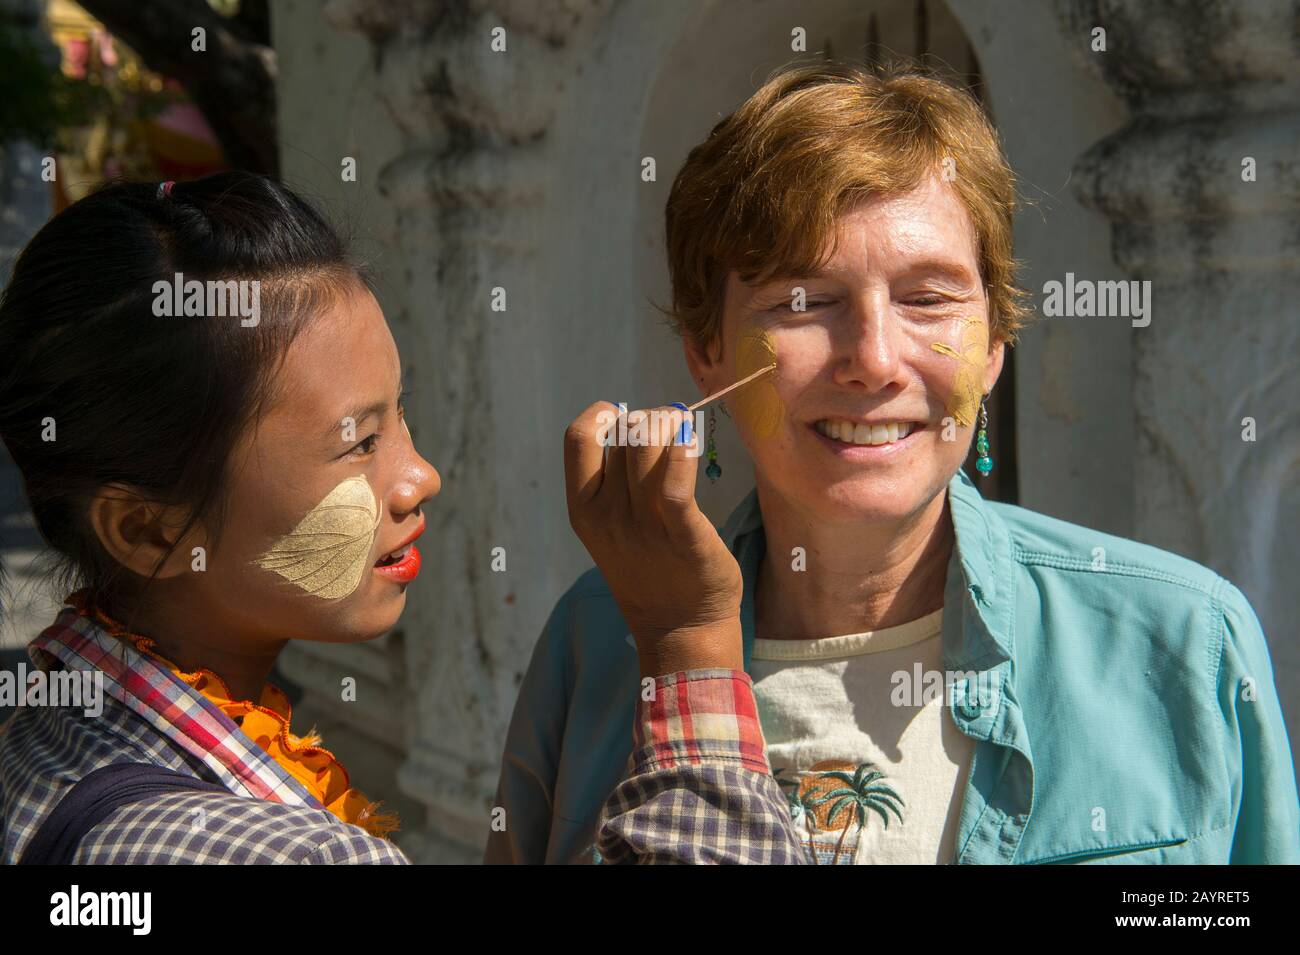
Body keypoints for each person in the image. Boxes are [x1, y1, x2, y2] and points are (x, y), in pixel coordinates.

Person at [487, 62, 1300, 865]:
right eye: (804, 302)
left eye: (929, 298)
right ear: (707, 351)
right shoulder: (597, 642)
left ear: (994, 346)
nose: (873, 360)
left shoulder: (1187, 646)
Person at [0, 172, 791, 864]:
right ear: (148, 531)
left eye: (400, 414)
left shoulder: (52, 736)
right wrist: (691, 640)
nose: (421, 478)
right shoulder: (288, 855)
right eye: (358, 443)